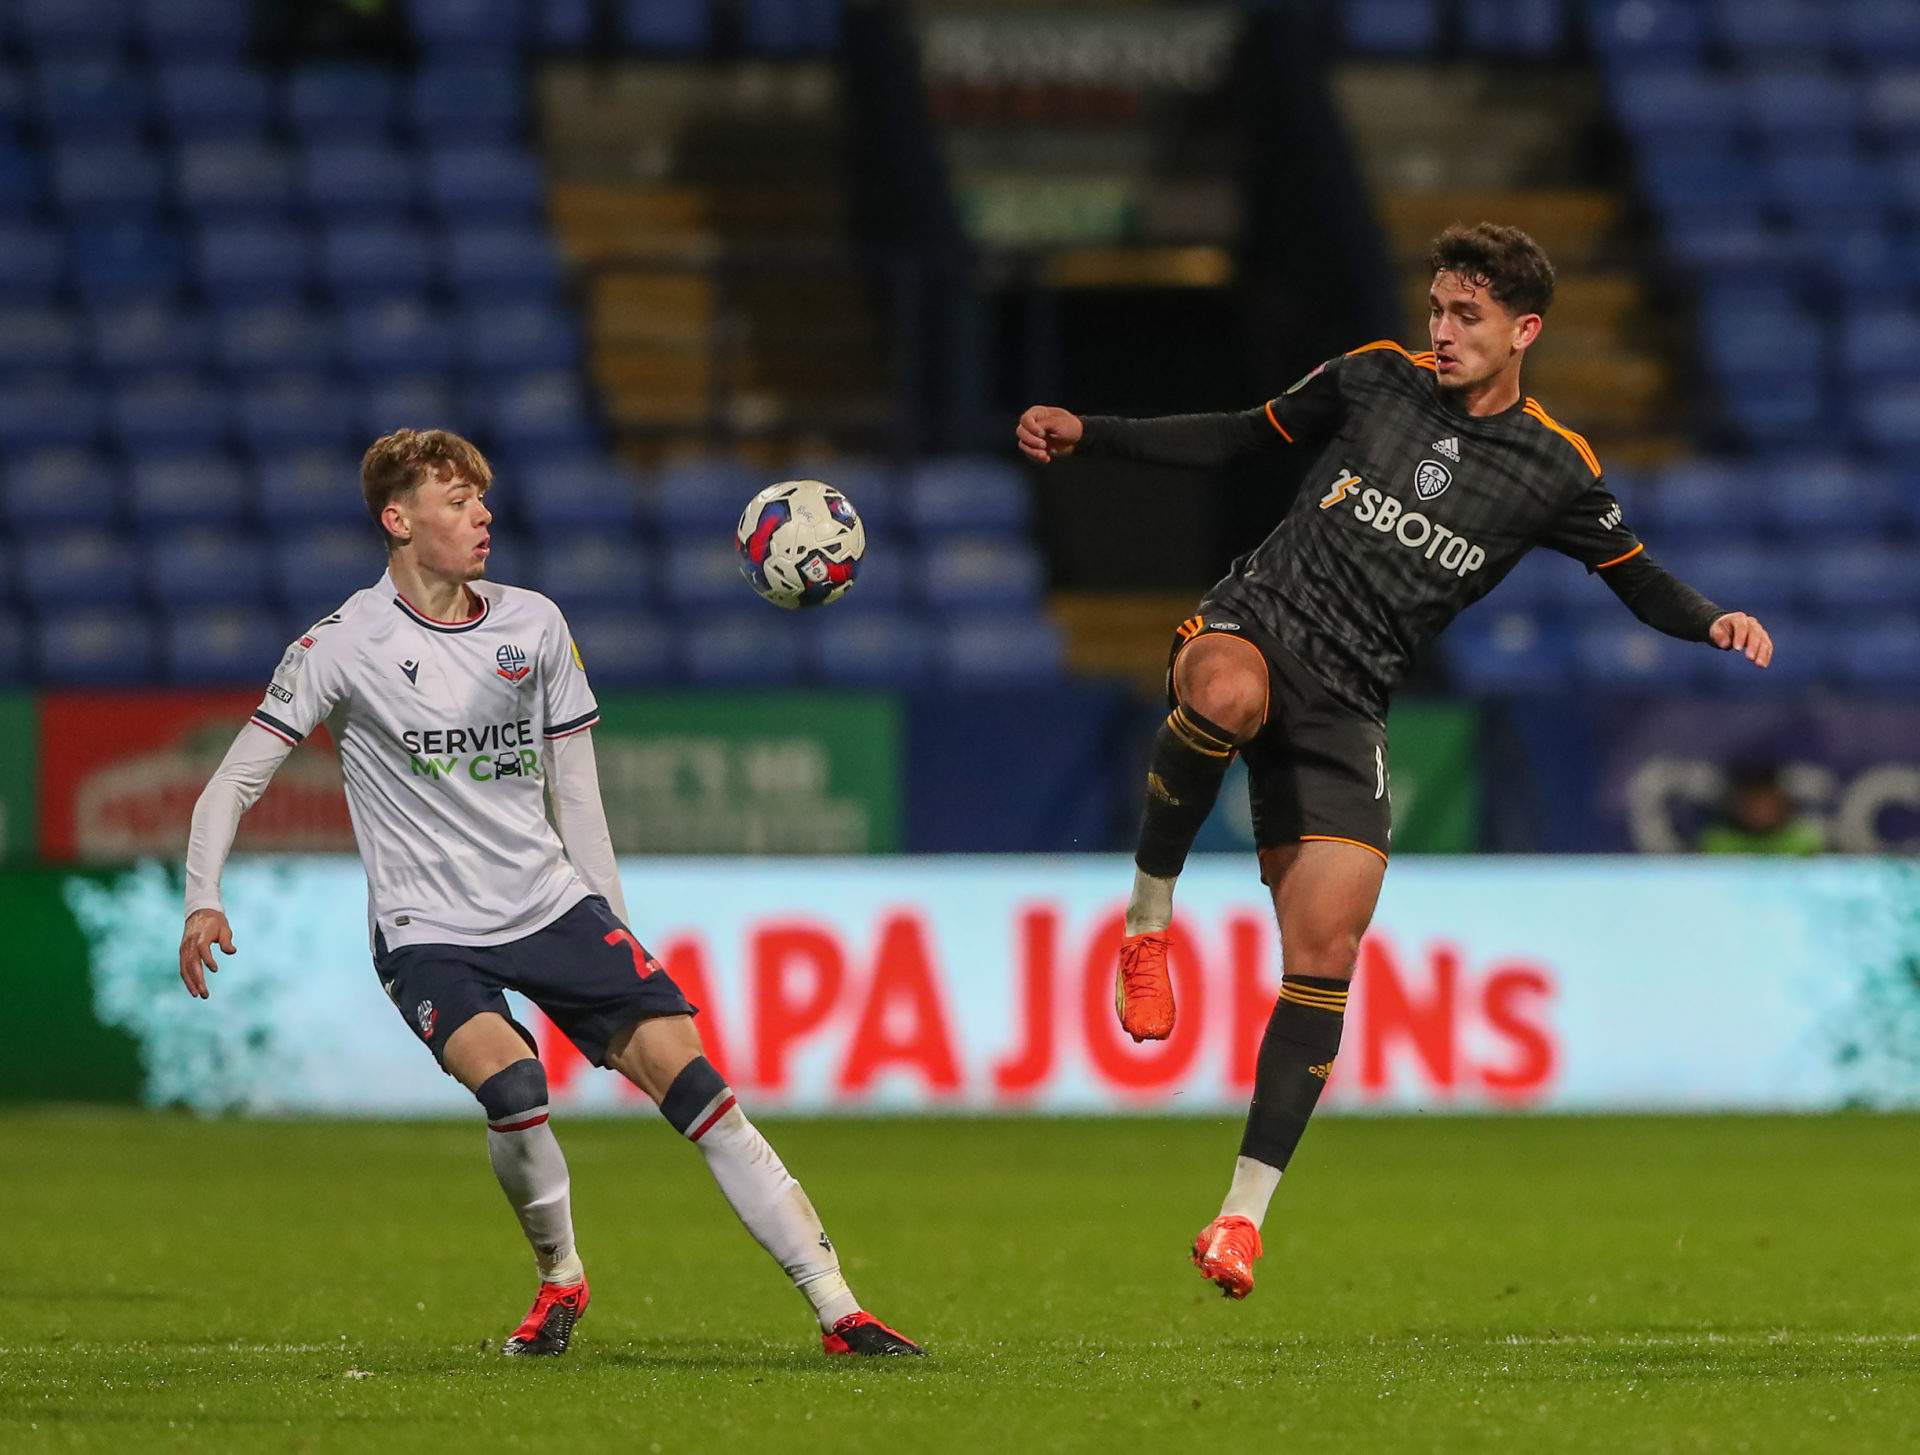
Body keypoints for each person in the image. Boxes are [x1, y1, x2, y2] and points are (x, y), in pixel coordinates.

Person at [1016, 223, 1774, 1301]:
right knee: (1222, 694)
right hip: (1259, 624)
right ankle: (1147, 924)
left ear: (1526, 331)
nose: (1443, 331)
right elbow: (1238, 434)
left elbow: (1635, 575)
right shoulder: (1372, 378)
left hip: (1353, 700)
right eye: (1439, 310)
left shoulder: (1555, 467)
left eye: (1468, 317)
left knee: (1329, 944)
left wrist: (1711, 622)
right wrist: (1091, 432)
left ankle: (1239, 1219)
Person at [178, 429, 922, 1358]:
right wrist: (202, 895)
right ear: (399, 520)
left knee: (699, 1088)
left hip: (550, 903)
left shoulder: (533, 623)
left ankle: (838, 1309)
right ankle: (561, 1277)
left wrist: (608, 915)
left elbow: (576, 789)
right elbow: (236, 778)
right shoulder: (341, 646)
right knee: (516, 1082)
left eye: (482, 498)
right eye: (457, 502)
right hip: (427, 929)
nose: (482, 515)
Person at [1698, 759, 1824, 855]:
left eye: (1766, 803)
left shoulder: (1804, 842)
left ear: (1781, 803)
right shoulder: (1717, 843)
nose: (1761, 810)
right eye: (1753, 802)